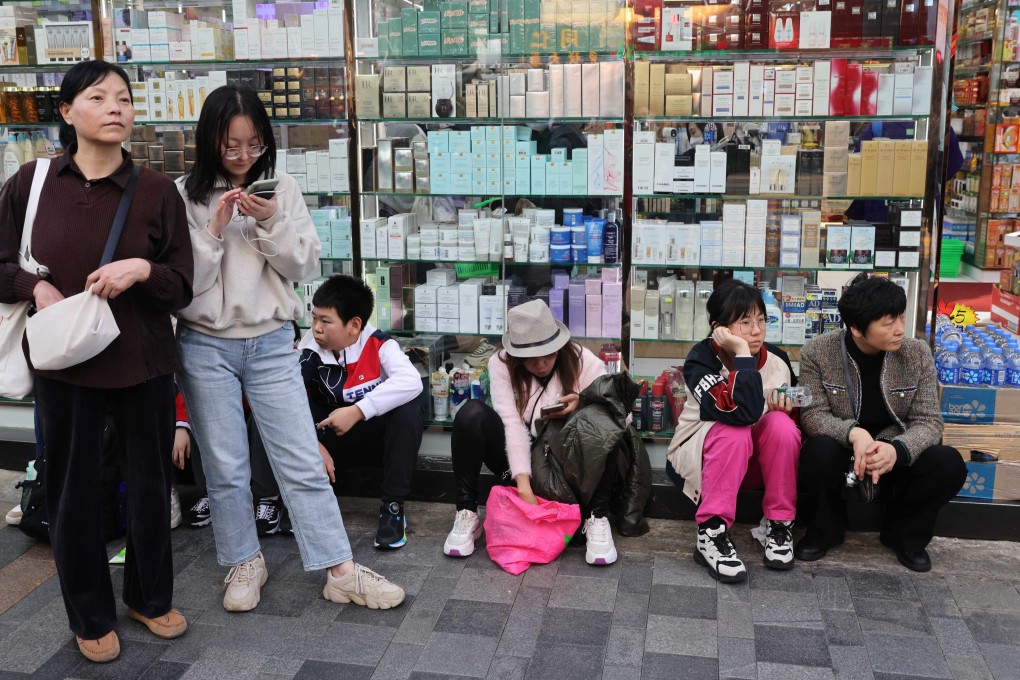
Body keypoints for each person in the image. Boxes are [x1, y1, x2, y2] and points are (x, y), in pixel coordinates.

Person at [174, 84, 404, 613]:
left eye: (253, 145)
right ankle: (243, 562)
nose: (241, 157)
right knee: (227, 466)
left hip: (273, 342)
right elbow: (184, 283)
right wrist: (213, 229)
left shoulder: (284, 189)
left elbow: (305, 268)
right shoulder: (183, 193)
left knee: (300, 458)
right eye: (230, 145)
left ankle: (339, 569)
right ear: (209, 140)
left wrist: (269, 219)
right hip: (205, 344)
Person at [0, 61, 194, 663]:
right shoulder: (31, 184)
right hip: (65, 364)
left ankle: (149, 596)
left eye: (125, 98)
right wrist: (35, 288)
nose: (116, 107)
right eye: (99, 96)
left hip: (144, 360)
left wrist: (142, 269)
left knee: (150, 486)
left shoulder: (159, 190)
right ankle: (88, 614)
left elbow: (182, 285)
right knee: (72, 492)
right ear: (66, 112)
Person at [795, 274, 967, 572]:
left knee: (948, 463)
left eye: (901, 317)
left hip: (896, 454)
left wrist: (897, 450)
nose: (899, 329)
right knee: (817, 452)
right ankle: (824, 532)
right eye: (888, 323)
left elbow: (929, 421)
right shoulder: (818, 352)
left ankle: (905, 537)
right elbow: (812, 416)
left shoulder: (916, 353)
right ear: (858, 329)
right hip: (844, 454)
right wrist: (854, 433)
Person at [444, 298, 619, 565]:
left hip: (567, 464)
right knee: (471, 413)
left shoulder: (580, 358)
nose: (541, 364)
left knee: (604, 418)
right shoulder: (501, 363)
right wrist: (523, 486)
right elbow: (511, 424)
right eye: (531, 358)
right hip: (522, 460)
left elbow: (622, 414)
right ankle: (467, 512)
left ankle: (598, 516)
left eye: (549, 354)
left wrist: (580, 405)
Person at [666, 280, 801, 583]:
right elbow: (740, 412)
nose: (756, 331)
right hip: (702, 456)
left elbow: (780, 423)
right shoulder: (700, 361)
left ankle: (778, 525)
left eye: (761, 320)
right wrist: (741, 353)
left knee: (782, 425)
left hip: (750, 465)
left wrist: (787, 409)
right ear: (719, 328)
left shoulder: (778, 360)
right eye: (745, 323)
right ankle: (711, 532)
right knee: (734, 430)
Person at [299, 274, 424, 549]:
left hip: (372, 440)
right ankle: (287, 504)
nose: (317, 328)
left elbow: (411, 381)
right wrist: (311, 442)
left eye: (326, 321)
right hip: (328, 446)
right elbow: (288, 398)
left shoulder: (379, 344)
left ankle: (392, 509)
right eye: (314, 318)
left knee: (410, 406)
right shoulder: (308, 349)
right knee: (286, 399)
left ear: (354, 325)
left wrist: (357, 411)